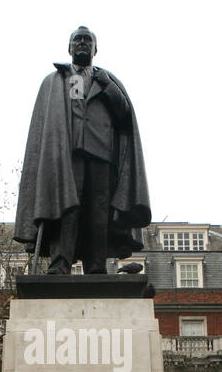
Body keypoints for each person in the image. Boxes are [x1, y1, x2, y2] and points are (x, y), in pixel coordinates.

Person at [14, 26, 151, 275]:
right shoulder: (55, 81)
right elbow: (44, 128)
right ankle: (60, 265)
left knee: (98, 214)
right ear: (69, 47)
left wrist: (107, 85)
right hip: (65, 156)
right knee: (66, 209)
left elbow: (124, 116)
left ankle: (96, 268)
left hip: (102, 156)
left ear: (95, 49)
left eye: (88, 40)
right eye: (77, 40)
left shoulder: (108, 79)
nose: (82, 44)